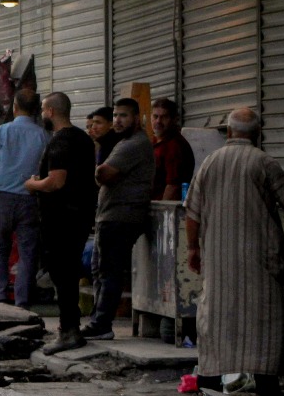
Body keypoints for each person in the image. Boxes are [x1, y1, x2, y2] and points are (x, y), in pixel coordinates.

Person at [186, 108, 284, 396]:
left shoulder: (210, 162)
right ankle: (267, 387)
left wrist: (193, 249)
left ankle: (208, 383)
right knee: (266, 317)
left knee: (215, 318)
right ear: (258, 133)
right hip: (259, 259)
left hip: (218, 259)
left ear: (230, 132)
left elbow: (192, 211)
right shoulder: (264, 162)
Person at [27, 92, 99, 353]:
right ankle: (71, 328)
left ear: (50, 111)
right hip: (79, 216)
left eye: (44, 110)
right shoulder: (83, 138)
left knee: (62, 272)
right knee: (67, 271)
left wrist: (32, 184)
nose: (42, 115)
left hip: (61, 219)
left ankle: (68, 330)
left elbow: (56, 181)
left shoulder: (60, 142)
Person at [83, 98, 155, 341]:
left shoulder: (133, 144)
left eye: (123, 115)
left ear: (137, 118)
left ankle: (102, 323)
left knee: (109, 271)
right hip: (111, 215)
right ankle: (98, 320)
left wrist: (96, 173)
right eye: (115, 115)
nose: (118, 120)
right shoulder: (122, 142)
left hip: (120, 216)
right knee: (101, 268)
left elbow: (103, 173)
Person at [0, 88, 51, 308]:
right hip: (31, 200)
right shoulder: (43, 136)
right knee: (28, 253)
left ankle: (0, 296)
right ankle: (22, 301)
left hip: (3, 200)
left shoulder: (2, 132)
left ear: (15, 107)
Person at [151, 98, 196, 202]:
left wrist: (162, 213)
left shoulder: (174, 146)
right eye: (155, 116)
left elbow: (173, 186)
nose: (158, 121)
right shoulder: (154, 141)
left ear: (174, 119)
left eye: (164, 117)